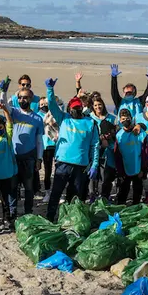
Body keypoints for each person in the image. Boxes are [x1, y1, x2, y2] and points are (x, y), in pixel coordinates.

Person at [45, 79, 100, 221]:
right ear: (70, 109)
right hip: (63, 163)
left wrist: (94, 164)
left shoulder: (90, 123)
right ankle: (50, 217)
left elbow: (95, 145)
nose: (75, 110)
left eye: (78, 108)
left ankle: (68, 219)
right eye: (73, 108)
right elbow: (52, 105)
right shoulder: (64, 118)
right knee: (56, 193)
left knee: (74, 195)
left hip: (81, 165)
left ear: (82, 108)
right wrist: (50, 89)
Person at [0, 83, 43, 219]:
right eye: (20, 98)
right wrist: (3, 91)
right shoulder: (14, 112)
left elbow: (39, 141)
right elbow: (3, 105)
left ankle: (28, 212)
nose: (22, 100)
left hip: (29, 158)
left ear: (31, 99)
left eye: (25, 98)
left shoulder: (37, 118)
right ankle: (12, 212)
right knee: (12, 187)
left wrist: (39, 159)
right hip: (13, 157)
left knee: (29, 188)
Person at [114, 109, 148, 205]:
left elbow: (145, 153)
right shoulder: (119, 135)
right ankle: (121, 206)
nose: (125, 120)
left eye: (127, 118)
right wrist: (120, 171)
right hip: (125, 168)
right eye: (123, 119)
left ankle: (136, 207)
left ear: (131, 118)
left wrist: (143, 169)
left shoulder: (140, 133)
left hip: (138, 168)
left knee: (137, 191)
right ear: (120, 120)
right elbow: (117, 155)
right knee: (123, 191)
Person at [89, 96, 117, 202]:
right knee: (93, 175)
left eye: (99, 104)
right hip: (94, 148)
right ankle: (92, 194)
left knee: (105, 175)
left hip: (108, 150)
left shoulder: (111, 118)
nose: (98, 107)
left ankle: (105, 195)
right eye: (95, 105)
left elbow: (116, 134)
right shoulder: (90, 117)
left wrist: (109, 137)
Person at [38, 97, 57, 203]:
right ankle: (47, 192)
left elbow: (61, 103)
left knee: (59, 170)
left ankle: (57, 191)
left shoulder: (55, 113)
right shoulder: (37, 116)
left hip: (56, 144)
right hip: (45, 146)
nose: (44, 105)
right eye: (41, 104)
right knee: (48, 170)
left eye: (45, 103)